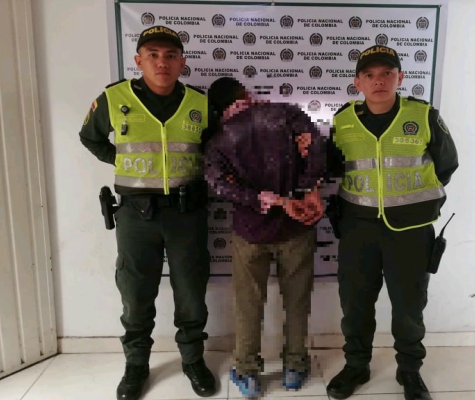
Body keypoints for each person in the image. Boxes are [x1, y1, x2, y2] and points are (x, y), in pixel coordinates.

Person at [79, 25, 216, 400]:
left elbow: (216, 151)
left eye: (170, 56)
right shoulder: (114, 98)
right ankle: (136, 364)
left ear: (182, 62)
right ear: (139, 61)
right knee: (136, 296)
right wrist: (121, 160)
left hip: (186, 214)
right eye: (153, 55)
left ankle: (193, 360)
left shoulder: (199, 104)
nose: (162, 62)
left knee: (191, 294)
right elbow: (90, 137)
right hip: (135, 216)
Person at [325, 45, 459, 400]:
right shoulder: (343, 121)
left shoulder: (424, 116)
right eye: (369, 75)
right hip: (358, 229)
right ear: (358, 83)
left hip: (411, 231)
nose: (379, 81)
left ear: (400, 78)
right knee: (355, 304)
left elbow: (446, 165)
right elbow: (332, 167)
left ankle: (409, 370)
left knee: (409, 307)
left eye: (387, 73)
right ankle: (356, 365)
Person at [204, 77, 325, 397]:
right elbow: (315, 146)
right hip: (297, 227)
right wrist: (311, 190)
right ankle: (295, 367)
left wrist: (270, 200)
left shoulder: (218, 140)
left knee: (248, 305)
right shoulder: (286, 114)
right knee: (297, 302)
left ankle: (247, 372)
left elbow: (219, 185)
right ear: (245, 93)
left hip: (250, 232)